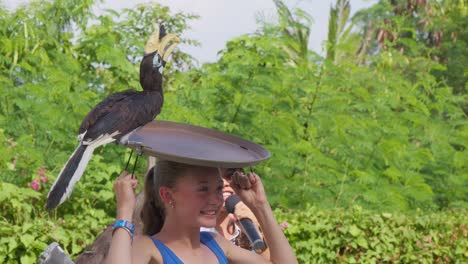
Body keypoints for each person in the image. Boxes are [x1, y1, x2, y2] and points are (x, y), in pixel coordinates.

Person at [106, 159, 297, 264]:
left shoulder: (215, 244)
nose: (216, 199)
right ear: (167, 195)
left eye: (218, 189)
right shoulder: (147, 247)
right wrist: (124, 211)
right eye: (203, 189)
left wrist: (260, 206)